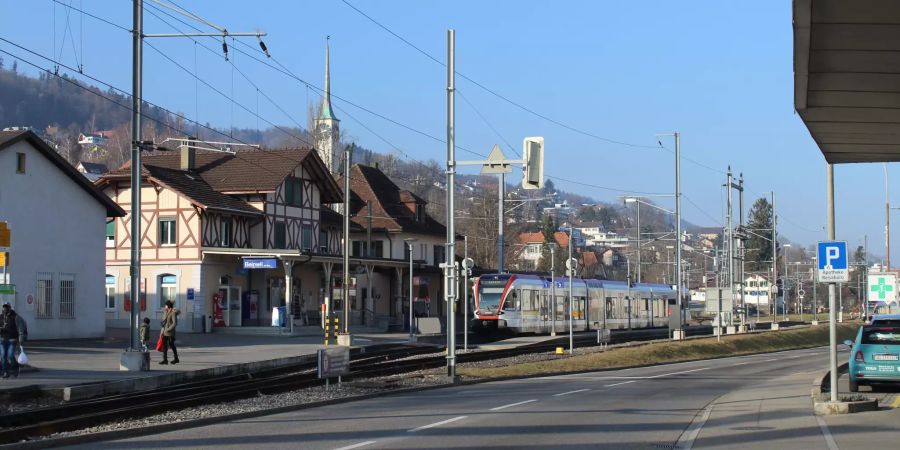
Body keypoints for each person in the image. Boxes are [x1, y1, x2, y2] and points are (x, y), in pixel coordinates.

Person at [0, 302, 26, 378]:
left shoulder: (15, 317)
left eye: (7, 307)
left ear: (10, 307)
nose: (5, 308)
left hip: (12, 340)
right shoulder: (1, 317)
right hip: (2, 340)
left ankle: (15, 367)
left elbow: (21, 328)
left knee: (10, 355)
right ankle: (5, 372)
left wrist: (21, 338)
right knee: (3, 356)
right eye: (4, 307)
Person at [160, 300, 179, 365]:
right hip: (165, 332)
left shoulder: (173, 313)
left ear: (168, 306)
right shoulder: (165, 312)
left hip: (170, 333)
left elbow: (174, 323)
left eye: (166, 305)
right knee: (164, 346)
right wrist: (162, 332)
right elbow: (164, 322)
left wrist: (168, 329)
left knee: (172, 345)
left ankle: (176, 358)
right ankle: (165, 360)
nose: (165, 306)